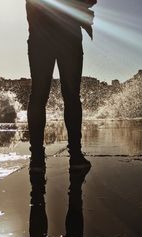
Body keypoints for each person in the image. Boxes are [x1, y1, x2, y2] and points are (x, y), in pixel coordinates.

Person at [26, 0, 97, 172]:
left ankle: (36, 158)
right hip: (68, 37)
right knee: (71, 96)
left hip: (39, 37)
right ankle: (75, 156)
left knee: (38, 96)